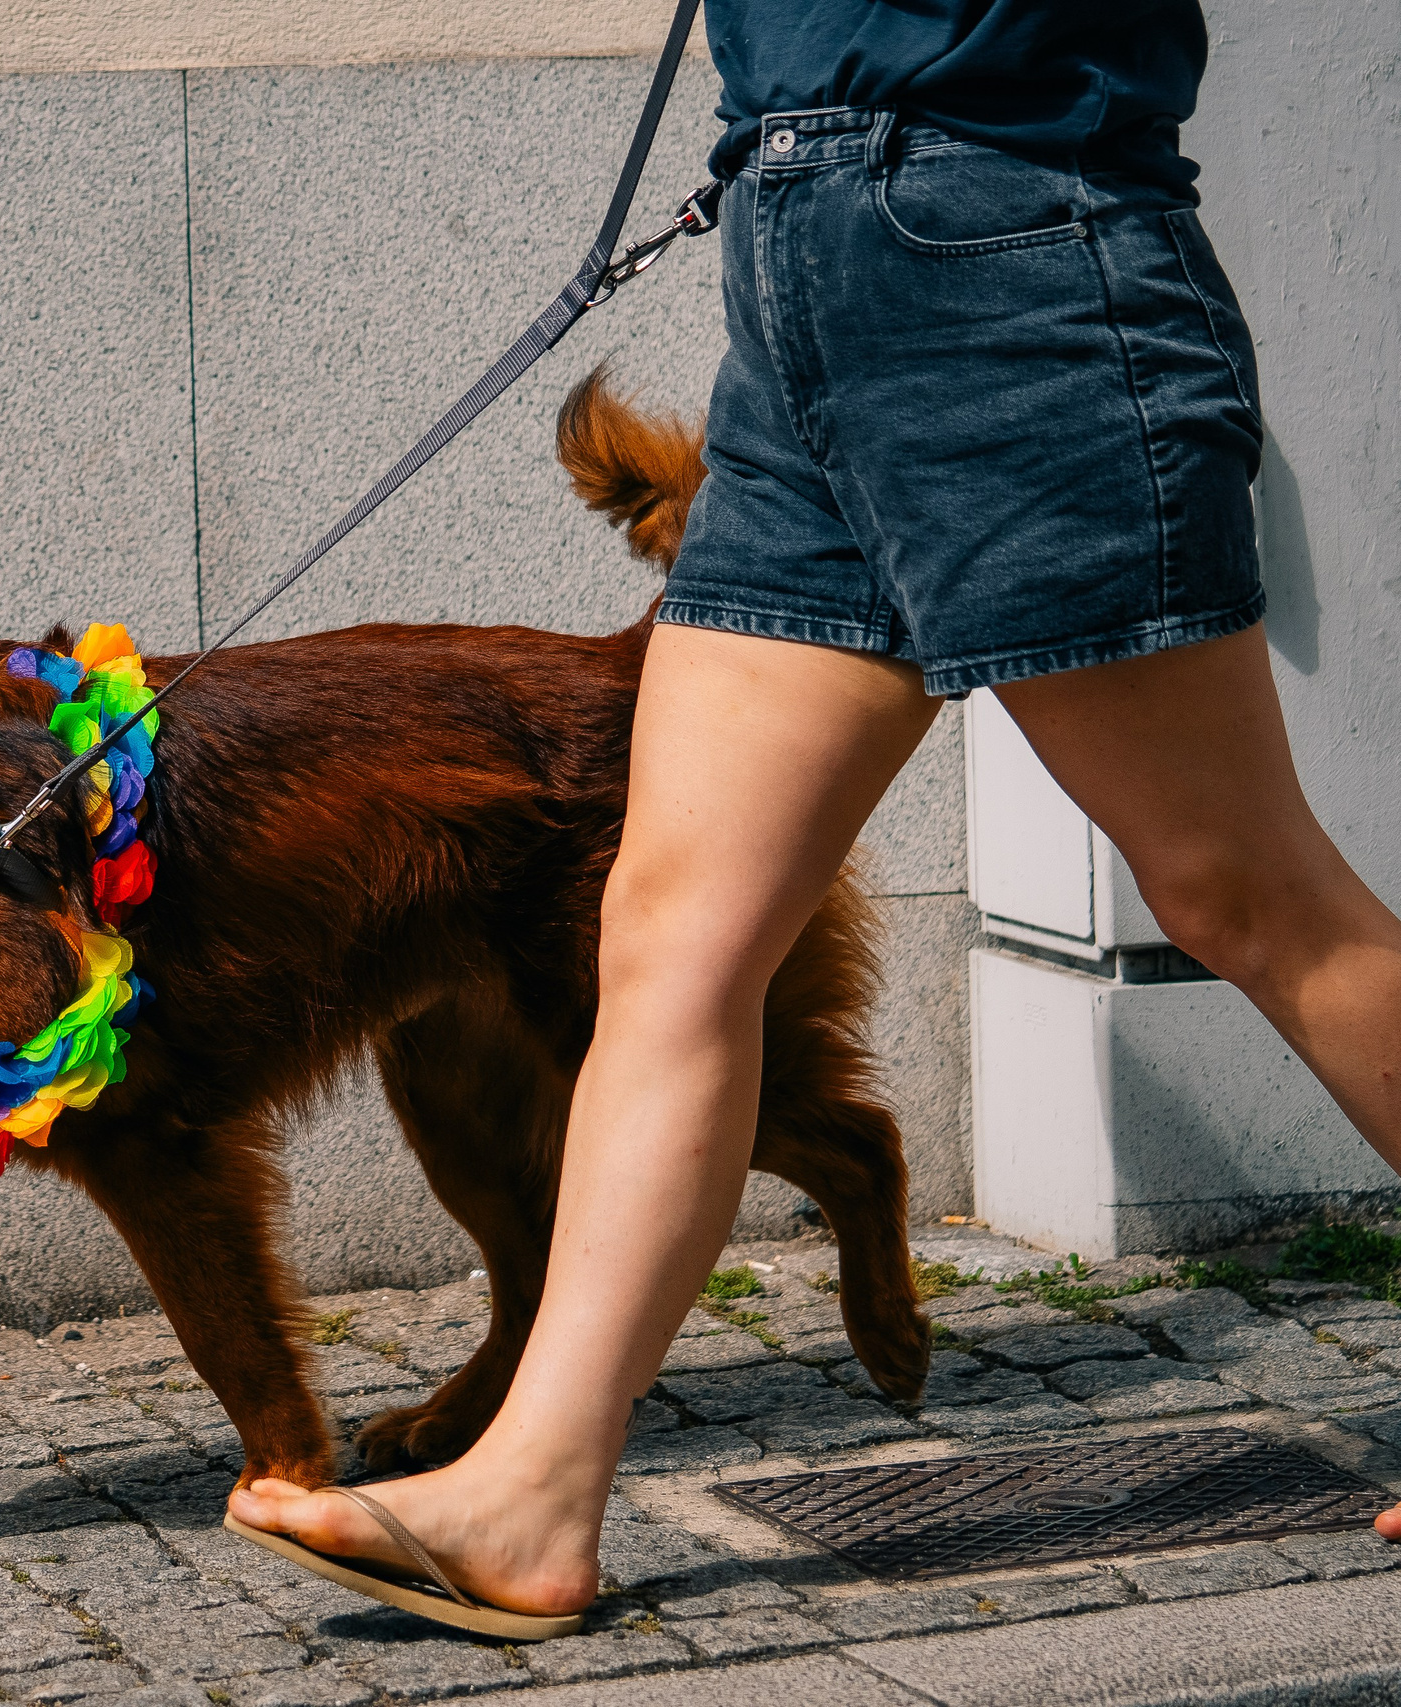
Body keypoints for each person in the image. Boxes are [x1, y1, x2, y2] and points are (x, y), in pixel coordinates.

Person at [227, 0, 1401, 1628]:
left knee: (1242, 890)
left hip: (1014, 259)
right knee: (670, 930)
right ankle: (529, 1496)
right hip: (798, 266)